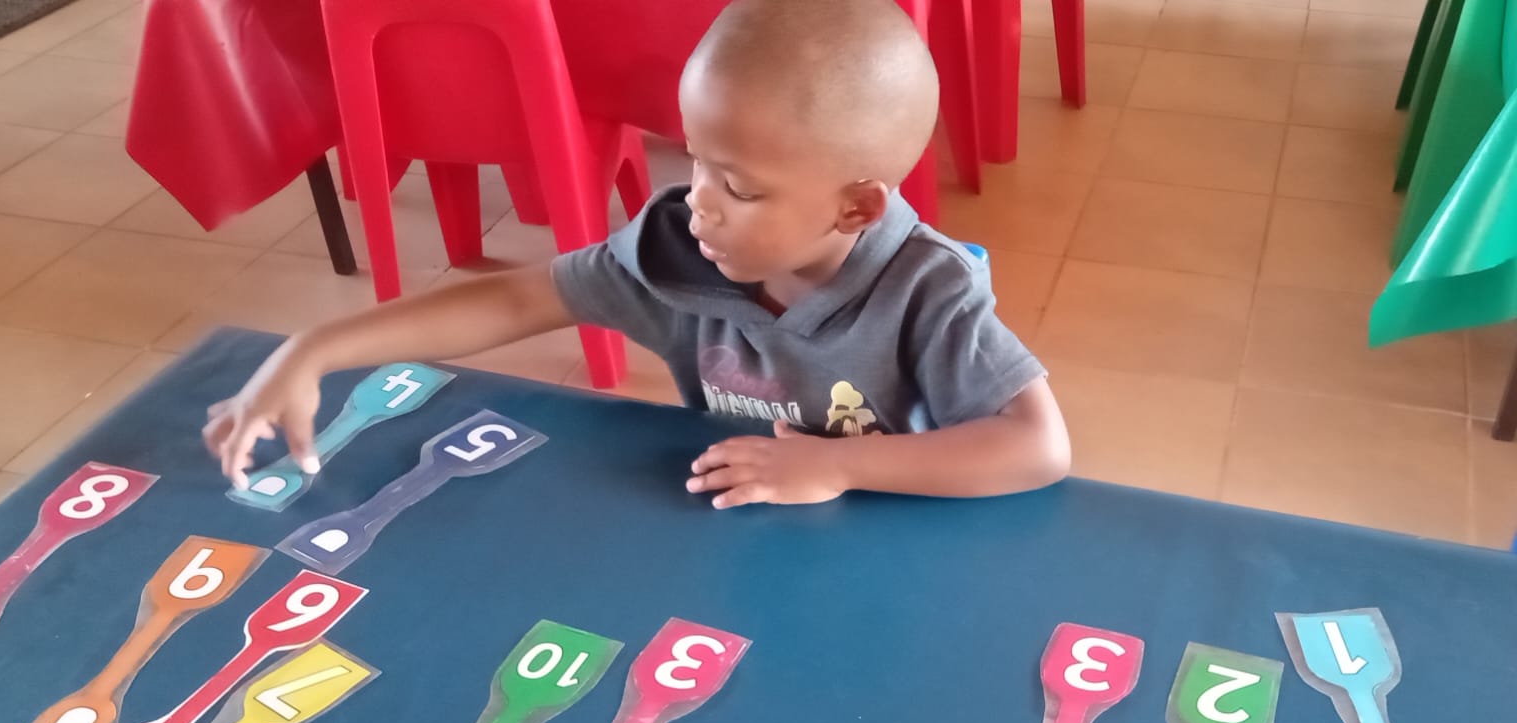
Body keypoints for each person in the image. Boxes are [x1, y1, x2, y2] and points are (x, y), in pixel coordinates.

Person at [203, 0, 1069, 509]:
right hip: (728, 521)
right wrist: (316, 348)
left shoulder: (927, 288)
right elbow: (515, 302)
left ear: (857, 208)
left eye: (739, 185)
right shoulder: (677, 250)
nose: (699, 199)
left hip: (884, 533)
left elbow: (1035, 448)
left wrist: (836, 464)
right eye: (696, 158)